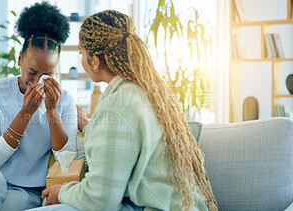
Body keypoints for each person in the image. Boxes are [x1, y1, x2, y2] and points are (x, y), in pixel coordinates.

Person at [31, 10, 218, 211]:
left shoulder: (116, 105)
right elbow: (123, 144)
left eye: (81, 53)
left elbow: (100, 200)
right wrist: (86, 125)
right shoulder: (147, 91)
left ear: (94, 60)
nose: (81, 59)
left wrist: (62, 192)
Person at [0, 2, 78, 210]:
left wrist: (52, 111)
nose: (37, 82)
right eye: (32, 72)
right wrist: (26, 113)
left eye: (47, 74)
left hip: (24, 191)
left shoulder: (64, 101)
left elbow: (66, 160)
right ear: (19, 59)